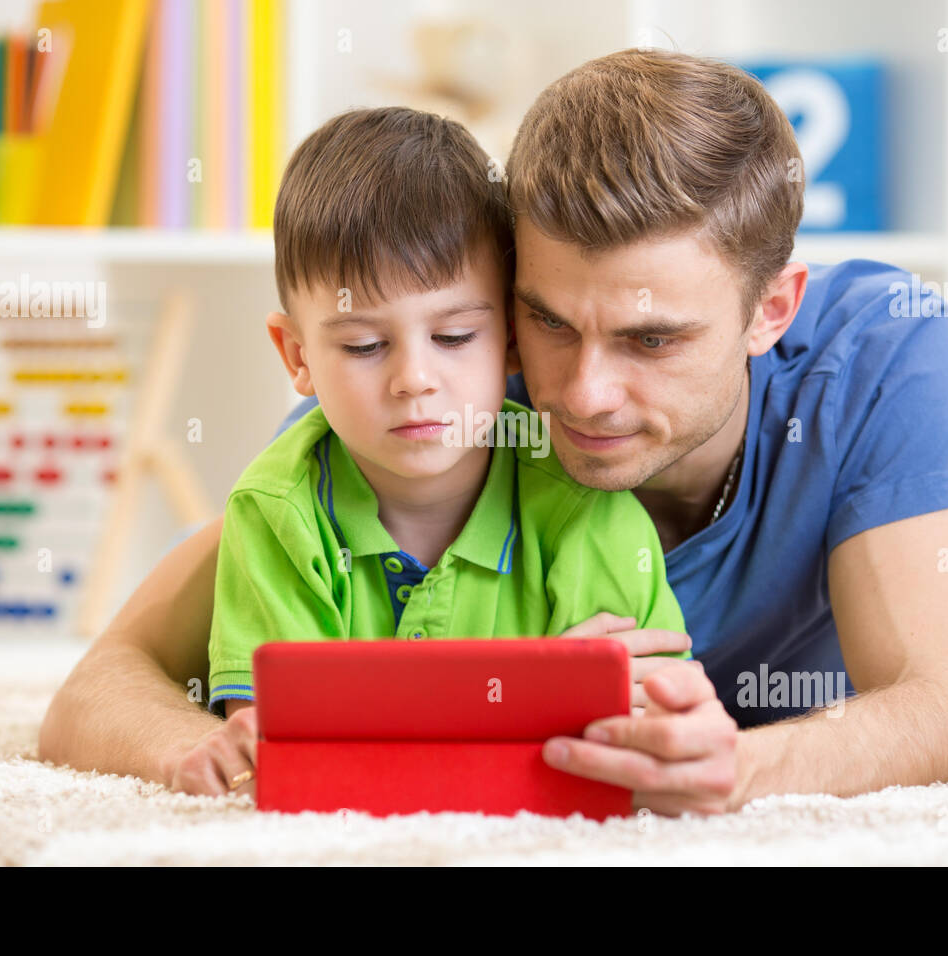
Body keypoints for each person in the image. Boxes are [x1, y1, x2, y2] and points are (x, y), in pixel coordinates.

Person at [40, 49, 948, 815]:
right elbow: (108, 678)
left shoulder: (881, 350)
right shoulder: (438, 392)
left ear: (771, 308)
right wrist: (211, 748)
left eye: (651, 337)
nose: (581, 393)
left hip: (926, 590)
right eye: (545, 319)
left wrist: (744, 763)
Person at [207, 106, 686, 737]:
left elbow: (643, 728)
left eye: (455, 335)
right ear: (299, 358)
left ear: (512, 340)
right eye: (363, 347)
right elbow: (285, 741)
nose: (415, 379)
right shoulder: (278, 510)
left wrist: (379, 705)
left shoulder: (582, 501)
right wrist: (527, 692)